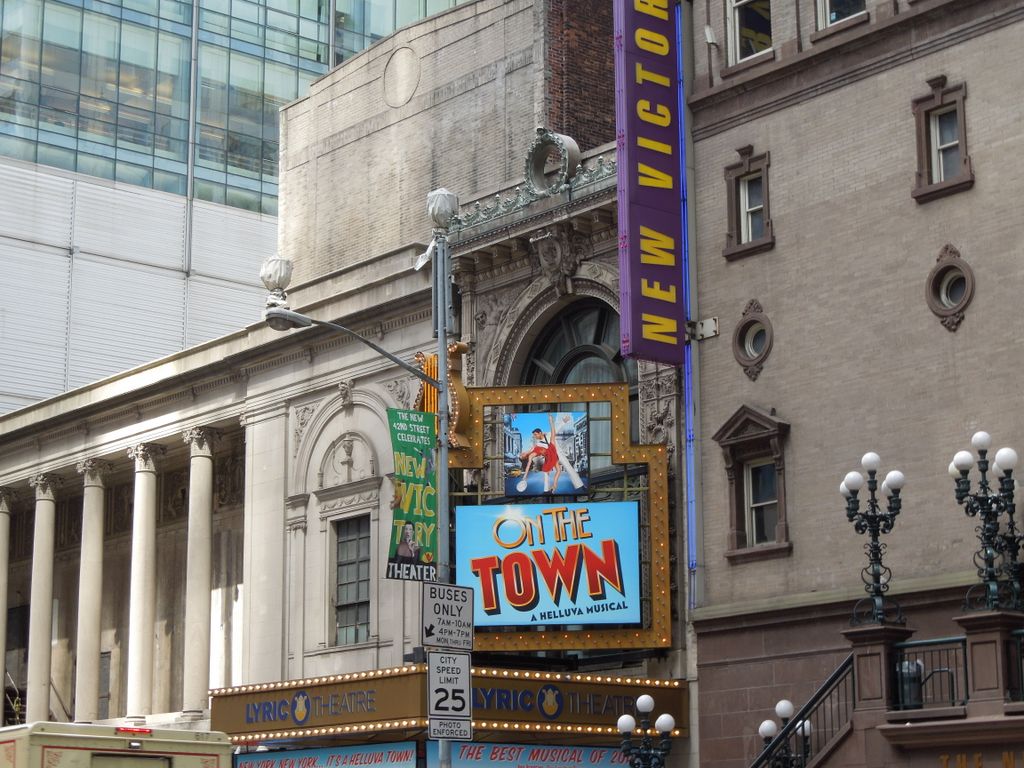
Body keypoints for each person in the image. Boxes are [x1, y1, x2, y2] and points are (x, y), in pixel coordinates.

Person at [518, 414, 563, 493]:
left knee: (557, 470)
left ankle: (553, 487)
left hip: (551, 452)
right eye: (522, 456)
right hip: (549, 456)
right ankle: (549, 489)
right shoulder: (531, 455)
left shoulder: (533, 448)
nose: (521, 454)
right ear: (525, 457)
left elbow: (548, 435)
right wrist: (525, 476)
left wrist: (550, 422)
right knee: (550, 471)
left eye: (521, 454)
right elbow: (528, 466)